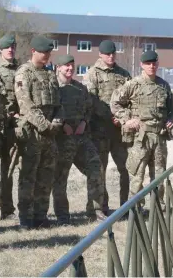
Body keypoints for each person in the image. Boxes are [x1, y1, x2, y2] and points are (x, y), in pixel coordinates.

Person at [110, 50, 173, 206]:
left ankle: (157, 207)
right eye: (148, 63)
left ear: (158, 64)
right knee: (137, 176)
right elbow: (115, 102)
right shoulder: (134, 84)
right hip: (141, 138)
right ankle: (135, 209)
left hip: (159, 137)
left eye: (154, 63)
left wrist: (171, 120)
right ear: (142, 65)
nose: (151, 66)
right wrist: (127, 119)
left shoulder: (164, 85)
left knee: (159, 176)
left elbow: (171, 109)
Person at [14, 35, 64, 229]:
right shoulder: (24, 73)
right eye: (44, 52)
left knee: (46, 176)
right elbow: (26, 105)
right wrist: (45, 126)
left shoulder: (51, 75)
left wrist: (57, 122)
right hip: (32, 134)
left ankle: (41, 216)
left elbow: (59, 104)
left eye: (49, 52)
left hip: (50, 135)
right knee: (28, 176)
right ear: (33, 51)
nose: (48, 55)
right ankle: (25, 218)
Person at [52, 54, 107, 225]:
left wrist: (84, 122)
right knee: (61, 178)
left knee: (96, 168)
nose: (69, 69)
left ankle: (95, 211)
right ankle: (62, 216)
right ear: (58, 67)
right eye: (66, 66)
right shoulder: (53, 88)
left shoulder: (81, 88)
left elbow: (88, 109)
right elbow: (49, 110)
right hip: (62, 139)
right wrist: (62, 126)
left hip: (81, 139)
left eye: (72, 65)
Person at [83, 40, 131, 214]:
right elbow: (91, 101)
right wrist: (111, 116)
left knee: (126, 169)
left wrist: (123, 118)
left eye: (113, 54)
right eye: (107, 54)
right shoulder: (92, 74)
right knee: (99, 170)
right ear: (100, 54)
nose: (111, 57)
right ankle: (99, 207)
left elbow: (130, 99)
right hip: (100, 131)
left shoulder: (123, 74)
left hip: (119, 132)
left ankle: (126, 206)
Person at [0, 33, 19, 220]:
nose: (10, 50)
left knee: (9, 170)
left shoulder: (20, 70)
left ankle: (7, 209)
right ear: (0, 50)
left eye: (13, 47)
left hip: (14, 126)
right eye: (7, 48)